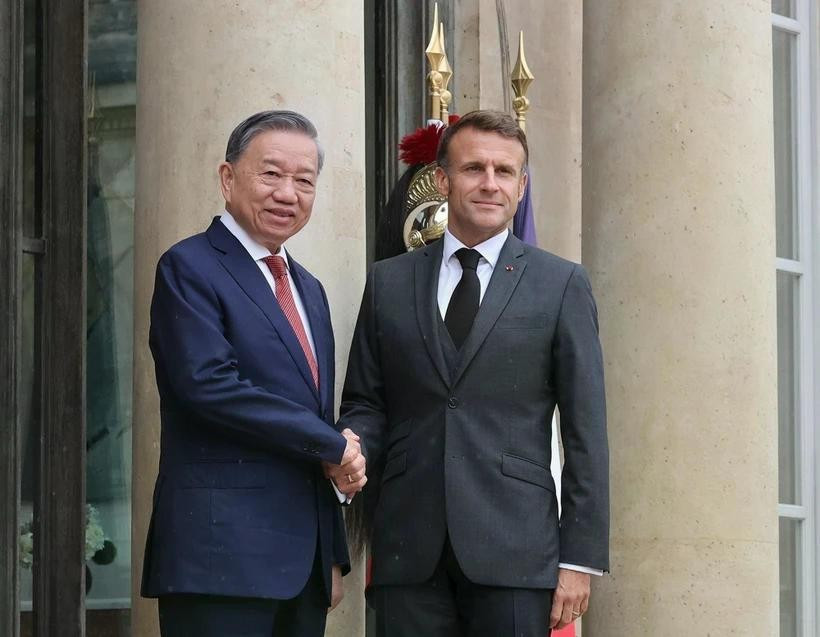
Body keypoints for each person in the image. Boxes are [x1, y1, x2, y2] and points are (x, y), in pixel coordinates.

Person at [339, 110, 608, 636]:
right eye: (474, 169)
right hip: (407, 552)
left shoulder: (561, 285)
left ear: (521, 185)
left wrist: (580, 558)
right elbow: (366, 402)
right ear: (442, 179)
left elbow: (586, 432)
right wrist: (350, 451)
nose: (490, 184)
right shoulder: (388, 282)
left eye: (504, 172)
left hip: (516, 554)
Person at [141, 110, 366, 637]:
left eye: (304, 180)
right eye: (270, 174)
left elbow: (316, 416)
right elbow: (208, 387)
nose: (287, 193)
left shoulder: (308, 288)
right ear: (227, 177)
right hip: (219, 559)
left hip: (302, 568)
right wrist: (333, 446)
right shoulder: (189, 267)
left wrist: (330, 553)